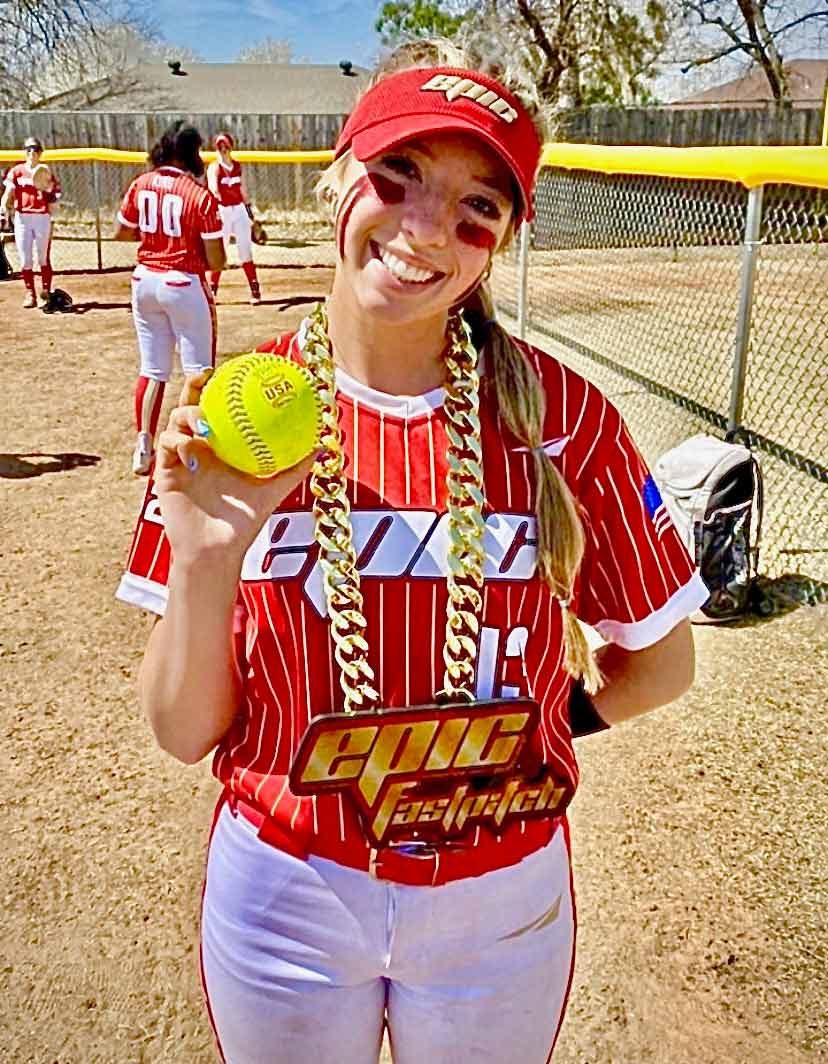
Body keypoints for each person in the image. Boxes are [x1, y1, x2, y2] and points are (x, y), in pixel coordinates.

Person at [117, 41, 709, 1064]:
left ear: (502, 243)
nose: (430, 226)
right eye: (401, 174)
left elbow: (660, 661)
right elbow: (182, 732)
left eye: (479, 206)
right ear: (340, 173)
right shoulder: (231, 415)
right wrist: (209, 557)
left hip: (503, 893)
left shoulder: (564, 419)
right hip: (288, 890)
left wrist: (529, 729)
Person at [115, 120, 226, 476]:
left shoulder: (140, 184)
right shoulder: (198, 195)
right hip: (182, 282)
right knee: (199, 373)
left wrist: (155, 239)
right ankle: (197, 447)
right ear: (193, 153)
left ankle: (143, 447)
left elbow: (122, 232)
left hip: (144, 279)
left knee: (152, 369)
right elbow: (216, 260)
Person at [0, 136, 61, 308]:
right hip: (23, 218)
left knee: (42, 258)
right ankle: (30, 293)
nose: (32, 152)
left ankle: (45, 293)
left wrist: (48, 190)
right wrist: (3, 207)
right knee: (25, 259)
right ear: (24, 152)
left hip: (41, 217)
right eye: (28, 149)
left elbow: (54, 199)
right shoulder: (17, 171)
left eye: (35, 149)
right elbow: (8, 192)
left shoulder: (46, 172)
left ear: (40, 153)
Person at [206, 132, 262, 305]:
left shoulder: (237, 166)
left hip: (238, 210)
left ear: (231, 147)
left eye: (226, 146)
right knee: (219, 251)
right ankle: (212, 291)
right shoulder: (214, 168)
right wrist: (214, 212)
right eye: (219, 146)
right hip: (222, 211)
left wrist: (251, 215)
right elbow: (213, 190)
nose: (223, 150)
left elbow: (243, 192)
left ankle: (255, 290)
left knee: (245, 250)